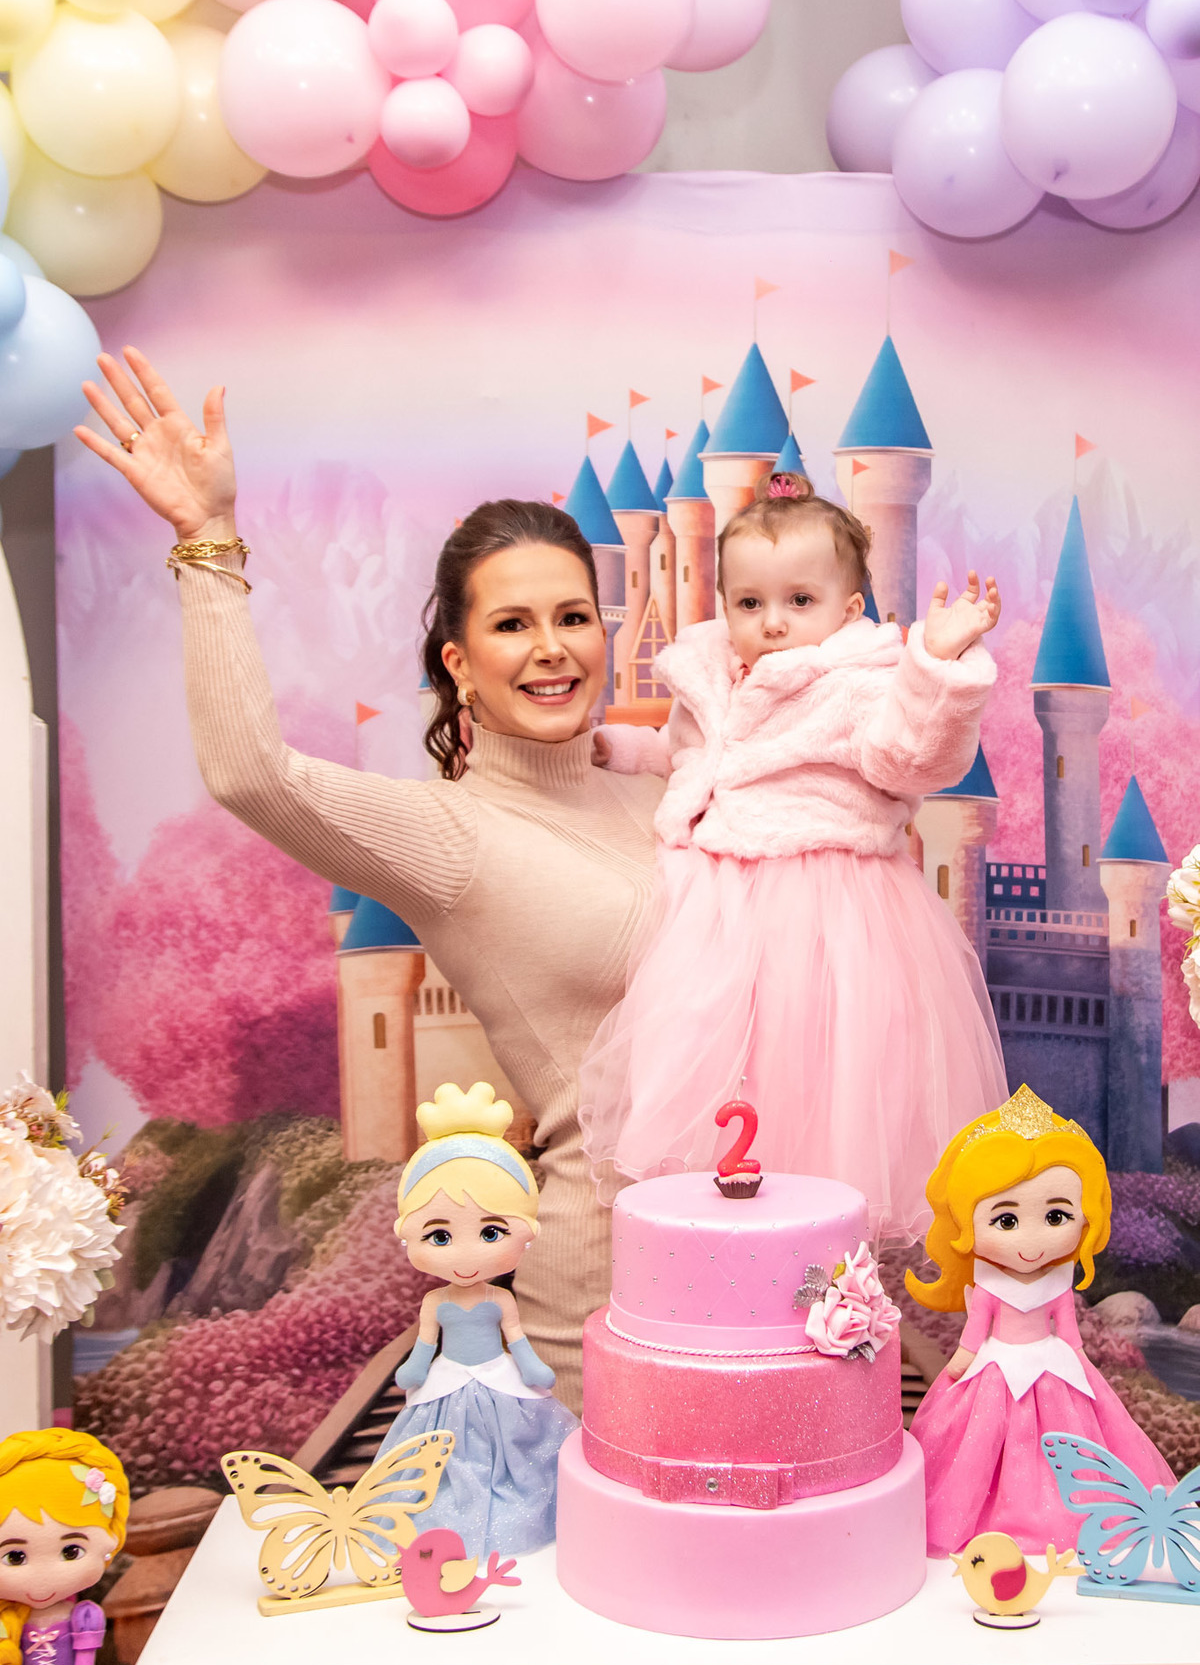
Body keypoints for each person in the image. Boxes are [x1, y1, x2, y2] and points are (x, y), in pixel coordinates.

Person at [73, 349, 665, 1415]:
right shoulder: (451, 834)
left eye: (573, 616)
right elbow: (250, 772)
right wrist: (206, 542)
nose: (552, 649)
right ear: (458, 664)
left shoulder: (662, 790)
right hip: (606, 1292)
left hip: (750, 1260)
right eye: (512, 625)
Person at [581, 478, 1008, 1244]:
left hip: (828, 900)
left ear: (848, 609)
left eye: (799, 601)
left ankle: (818, 1249)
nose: (772, 622)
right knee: (711, 1046)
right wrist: (621, 748)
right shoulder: (716, 675)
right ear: (725, 605)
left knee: (820, 1059)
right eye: (750, 603)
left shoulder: (859, 687)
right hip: (722, 898)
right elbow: (691, 751)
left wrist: (937, 668)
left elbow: (912, 756)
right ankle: (733, 1229)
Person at [906, 1086, 1177, 1556]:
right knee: (979, 1448)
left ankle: (1074, 1524)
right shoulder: (988, 1287)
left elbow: (1069, 1336)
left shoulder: (1059, 1284)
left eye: (1056, 1216)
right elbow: (973, 1336)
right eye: (1006, 1221)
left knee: (1073, 1446)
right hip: (996, 1370)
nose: (1031, 1241)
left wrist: (1081, 1366)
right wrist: (960, 1365)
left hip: (1054, 1371)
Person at [376, 1080, 578, 1554]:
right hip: (447, 1381)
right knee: (438, 1452)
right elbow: (425, 1344)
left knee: (516, 1449)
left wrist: (532, 1367)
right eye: (440, 1237)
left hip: (496, 1377)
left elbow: (517, 1339)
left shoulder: (499, 1299)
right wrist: (415, 1370)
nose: (466, 1255)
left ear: (526, 1232)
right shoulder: (436, 1302)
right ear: (408, 1234)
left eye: (491, 1233)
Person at [0, 1429, 129, 1665]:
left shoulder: (83, 1615)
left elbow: (84, 1662)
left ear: (109, 1541)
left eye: (71, 1552)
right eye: (15, 1557)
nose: (42, 1577)